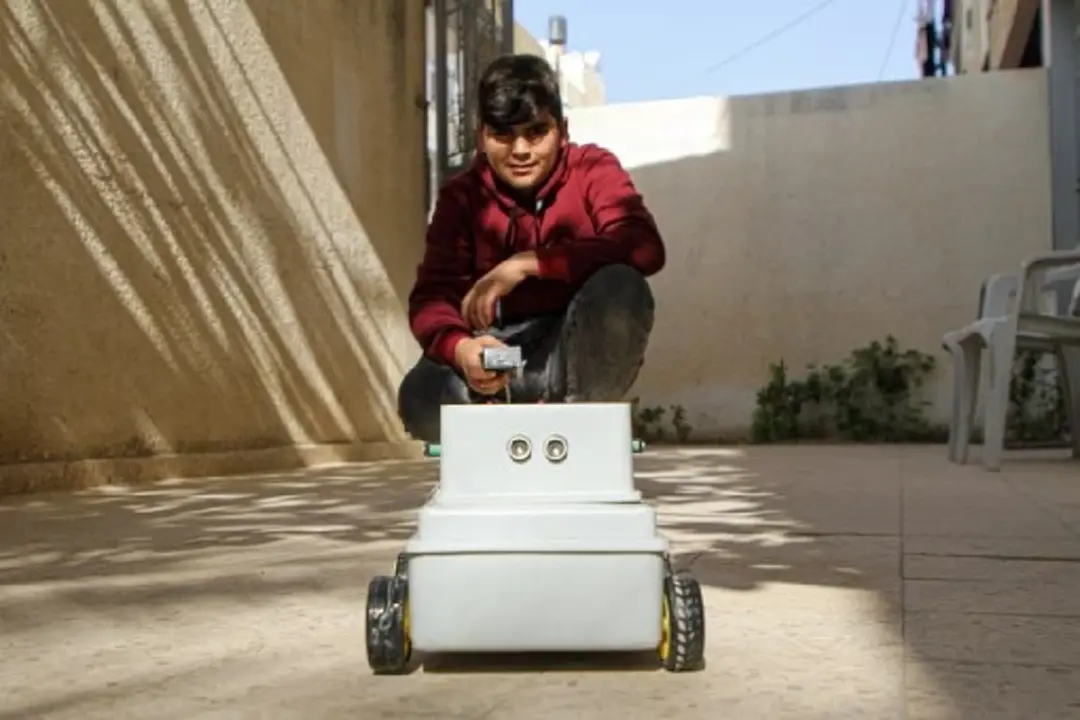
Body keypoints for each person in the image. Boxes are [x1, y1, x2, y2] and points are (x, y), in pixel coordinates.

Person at [398, 53, 666, 443]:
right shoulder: (461, 197)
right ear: (482, 137)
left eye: (537, 132)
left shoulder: (593, 168)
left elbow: (643, 246)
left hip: (567, 351)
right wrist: (462, 350)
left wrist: (530, 263)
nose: (520, 150)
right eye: (503, 135)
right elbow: (431, 298)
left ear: (562, 130)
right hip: (495, 352)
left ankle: (574, 421)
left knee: (623, 286)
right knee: (419, 399)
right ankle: (504, 411)